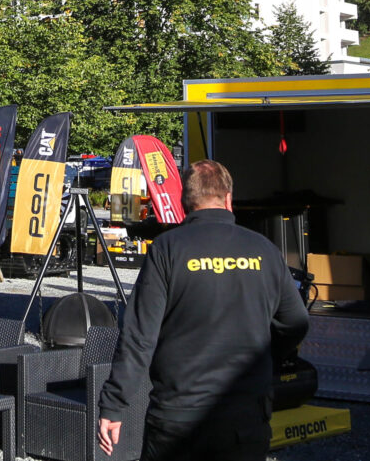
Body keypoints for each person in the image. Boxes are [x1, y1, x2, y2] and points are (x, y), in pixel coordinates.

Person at [98, 159, 309, 461]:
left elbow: (138, 336)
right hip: (244, 415)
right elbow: (296, 322)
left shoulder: (167, 248)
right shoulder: (263, 249)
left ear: (185, 202)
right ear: (228, 199)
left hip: (178, 416)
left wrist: (114, 405)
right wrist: (263, 356)